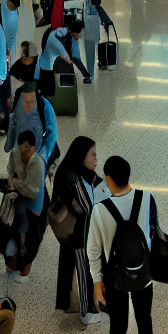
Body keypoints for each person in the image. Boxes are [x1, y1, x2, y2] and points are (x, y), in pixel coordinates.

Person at [86, 155, 159, 334]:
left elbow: (93, 250)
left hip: (113, 274)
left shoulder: (100, 210)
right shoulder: (147, 198)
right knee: (144, 318)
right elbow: (154, 231)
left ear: (108, 179)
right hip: (143, 270)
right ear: (129, 175)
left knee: (118, 324)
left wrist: (97, 283)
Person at [49, 136, 104, 323]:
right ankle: (86, 312)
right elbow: (86, 208)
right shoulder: (72, 177)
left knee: (77, 269)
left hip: (78, 233)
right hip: (79, 235)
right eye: (92, 155)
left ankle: (80, 306)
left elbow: (102, 187)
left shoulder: (79, 172)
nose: (96, 159)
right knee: (82, 270)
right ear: (81, 155)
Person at [4, 130, 49, 281]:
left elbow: (32, 192)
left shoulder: (37, 163)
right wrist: (15, 183)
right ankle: (13, 263)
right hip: (17, 201)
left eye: (29, 148)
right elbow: (10, 172)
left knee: (32, 238)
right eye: (23, 147)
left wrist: (15, 183)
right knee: (12, 232)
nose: (26, 152)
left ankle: (26, 270)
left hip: (35, 204)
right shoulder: (15, 154)